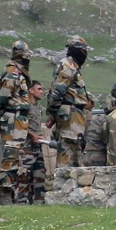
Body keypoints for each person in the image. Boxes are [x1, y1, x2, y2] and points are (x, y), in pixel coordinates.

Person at [0, 41, 31, 205]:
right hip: (12, 119)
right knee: (10, 156)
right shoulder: (12, 73)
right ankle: (5, 194)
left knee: (15, 157)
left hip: (19, 119)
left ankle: (11, 193)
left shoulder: (19, 72)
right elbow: (2, 98)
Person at [46, 36, 92, 168]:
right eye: (83, 50)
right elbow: (58, 93)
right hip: (70, 118)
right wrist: (52, 114)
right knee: (68, 158)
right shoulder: (69, 67)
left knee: (74, 155)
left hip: (73, 117)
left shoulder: (71, 66)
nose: (85, 54)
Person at [18, 80, 48, 204]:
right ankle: (21, 204)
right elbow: (20, 123)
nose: (42, 92)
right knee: (24, 177)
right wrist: (32, 135)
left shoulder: (39, 108)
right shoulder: (25, 105)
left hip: (38, 146)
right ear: (31, 90)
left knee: (40, 176)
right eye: (39, 89)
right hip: (26, 147)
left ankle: (39, 204)